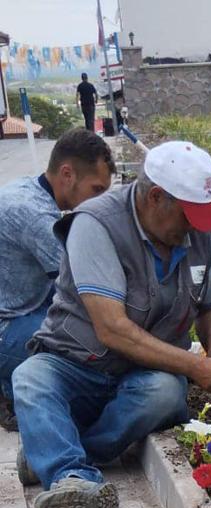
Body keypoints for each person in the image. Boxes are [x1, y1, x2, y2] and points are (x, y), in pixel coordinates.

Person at [12, 141, 211, 508]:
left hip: (144, 374)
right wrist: (193, 365)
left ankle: (54, 451)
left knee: (164, 393)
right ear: (156, 197)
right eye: (188, 216)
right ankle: (71, 477)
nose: (194, 227)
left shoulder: (195, 231)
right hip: (78, 364)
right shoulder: (95, 224)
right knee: (30, 379)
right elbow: (112, 328)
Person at [0, 128, 116, 431]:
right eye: (96, 190)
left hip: (23, 307)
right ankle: (14, 396)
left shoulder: (30, 191)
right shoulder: (35, 215)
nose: (100, 201)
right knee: (83, 353)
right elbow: (84, 286)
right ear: (67, 174)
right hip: (7, 325)